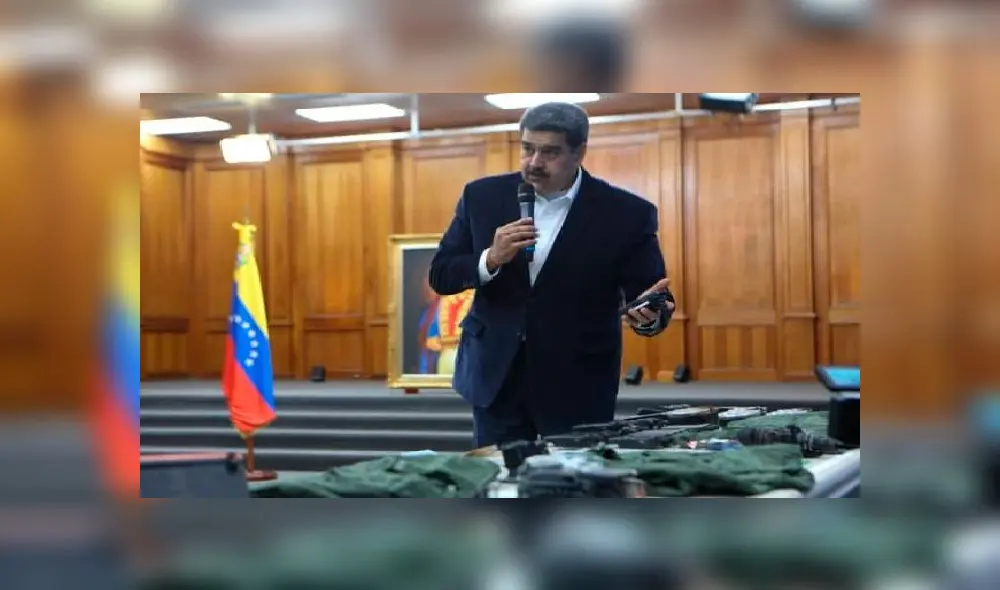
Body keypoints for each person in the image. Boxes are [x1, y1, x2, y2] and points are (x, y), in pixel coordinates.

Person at [429, 102, 675, 448]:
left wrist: (650, 315)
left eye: (550, 152)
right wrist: (490, 259)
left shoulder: (626, 213)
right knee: (500, 475)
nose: (534, 162)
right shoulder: (481, 197)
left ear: (579, 152)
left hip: (578, 379)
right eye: (527, 149)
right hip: (497, 375)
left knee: (576, 475)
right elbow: (441, 274)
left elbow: (652, 296)